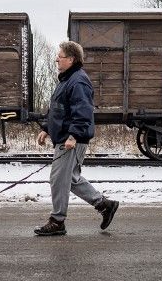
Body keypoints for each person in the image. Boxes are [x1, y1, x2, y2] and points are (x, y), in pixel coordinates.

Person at [34, 41, 119, 236]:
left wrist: (73, 136)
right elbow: (59, 109)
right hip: (66, 137)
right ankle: (104, 205)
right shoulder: (67, 80)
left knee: (58, 179)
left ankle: (57, 221)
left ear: (71, 59)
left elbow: (83, 112)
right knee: (70, 179)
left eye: (60, 56)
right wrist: (47, 128)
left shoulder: (78, 81)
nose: (56, 59)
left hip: (71, 140)